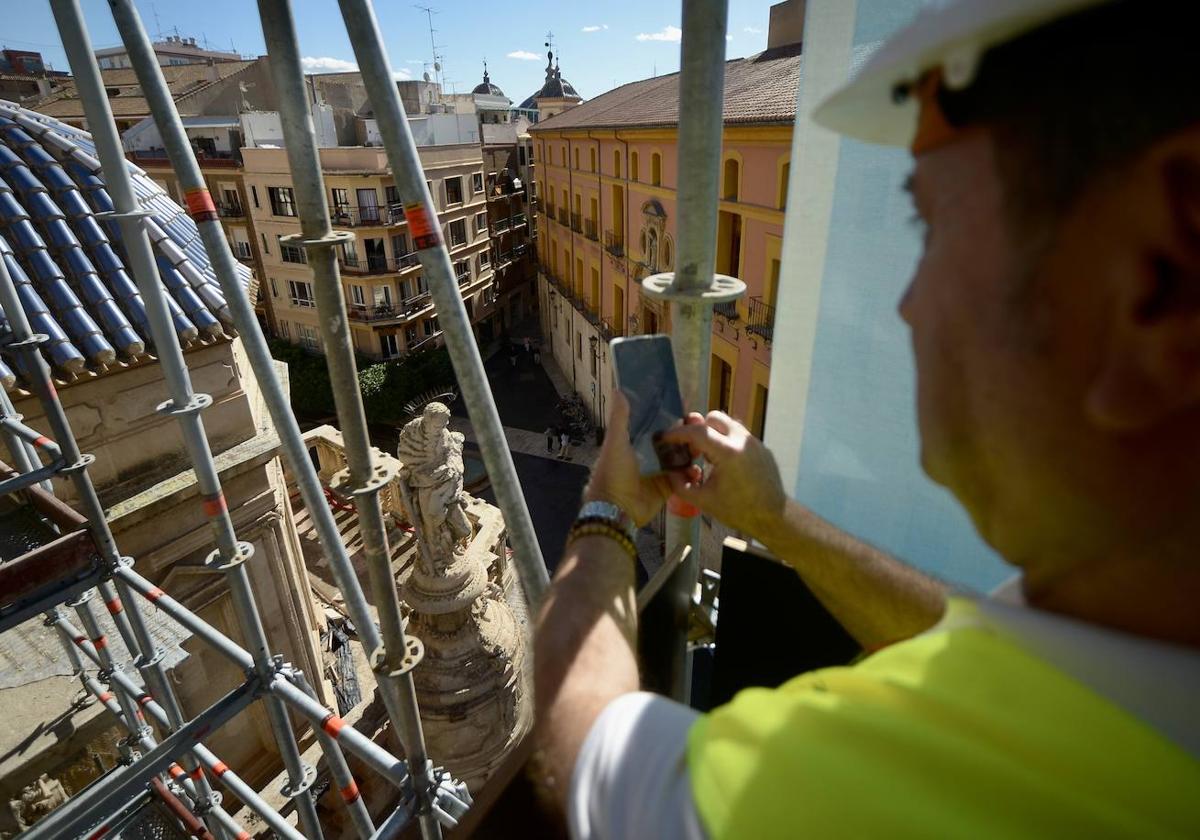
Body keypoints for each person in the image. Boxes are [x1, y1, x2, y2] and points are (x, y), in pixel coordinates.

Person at [533, 1, 1200, 837]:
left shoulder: (845, 786)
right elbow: (978, 641)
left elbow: (577, 746)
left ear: (1157, 281)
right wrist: (776, 521)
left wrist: (606, 513)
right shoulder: (1135, 676)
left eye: (931, 221)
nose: (909, 304)